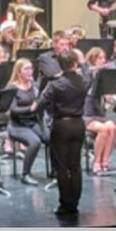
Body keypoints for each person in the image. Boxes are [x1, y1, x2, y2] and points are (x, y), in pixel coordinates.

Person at [38, 50, 89, 215]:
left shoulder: (55, 84)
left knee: (61, 166)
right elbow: (87, 73)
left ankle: (64, 204)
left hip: (61, 125)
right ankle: (75, 203)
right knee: (75, 165)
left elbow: (40, 104)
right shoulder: (83, 81)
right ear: (75, 64)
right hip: (78, 124)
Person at [4, 59, 49, 185]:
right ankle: (25, 174)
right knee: (35, 142)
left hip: (33, 121)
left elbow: (39, 104)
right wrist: (30, 108)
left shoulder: (33, 86)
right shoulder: (12, 87)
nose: (30, 71)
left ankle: (55, 171)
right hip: (17, 124)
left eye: (31, 68)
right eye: (26, 69)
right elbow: (13, 109)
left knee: (52, 137)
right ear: (18, 72)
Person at [83, 46, 116, 174]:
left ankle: (105, 161)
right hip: (86, 113)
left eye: (104, 58)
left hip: (99, 112)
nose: (103, 60)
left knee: (112, 128)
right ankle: (96, 162)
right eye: (99, 58)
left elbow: (108, 96)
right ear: (92, 60)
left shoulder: (104, 76)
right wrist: (94, 72)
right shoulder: (86, 74)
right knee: (103, 130)